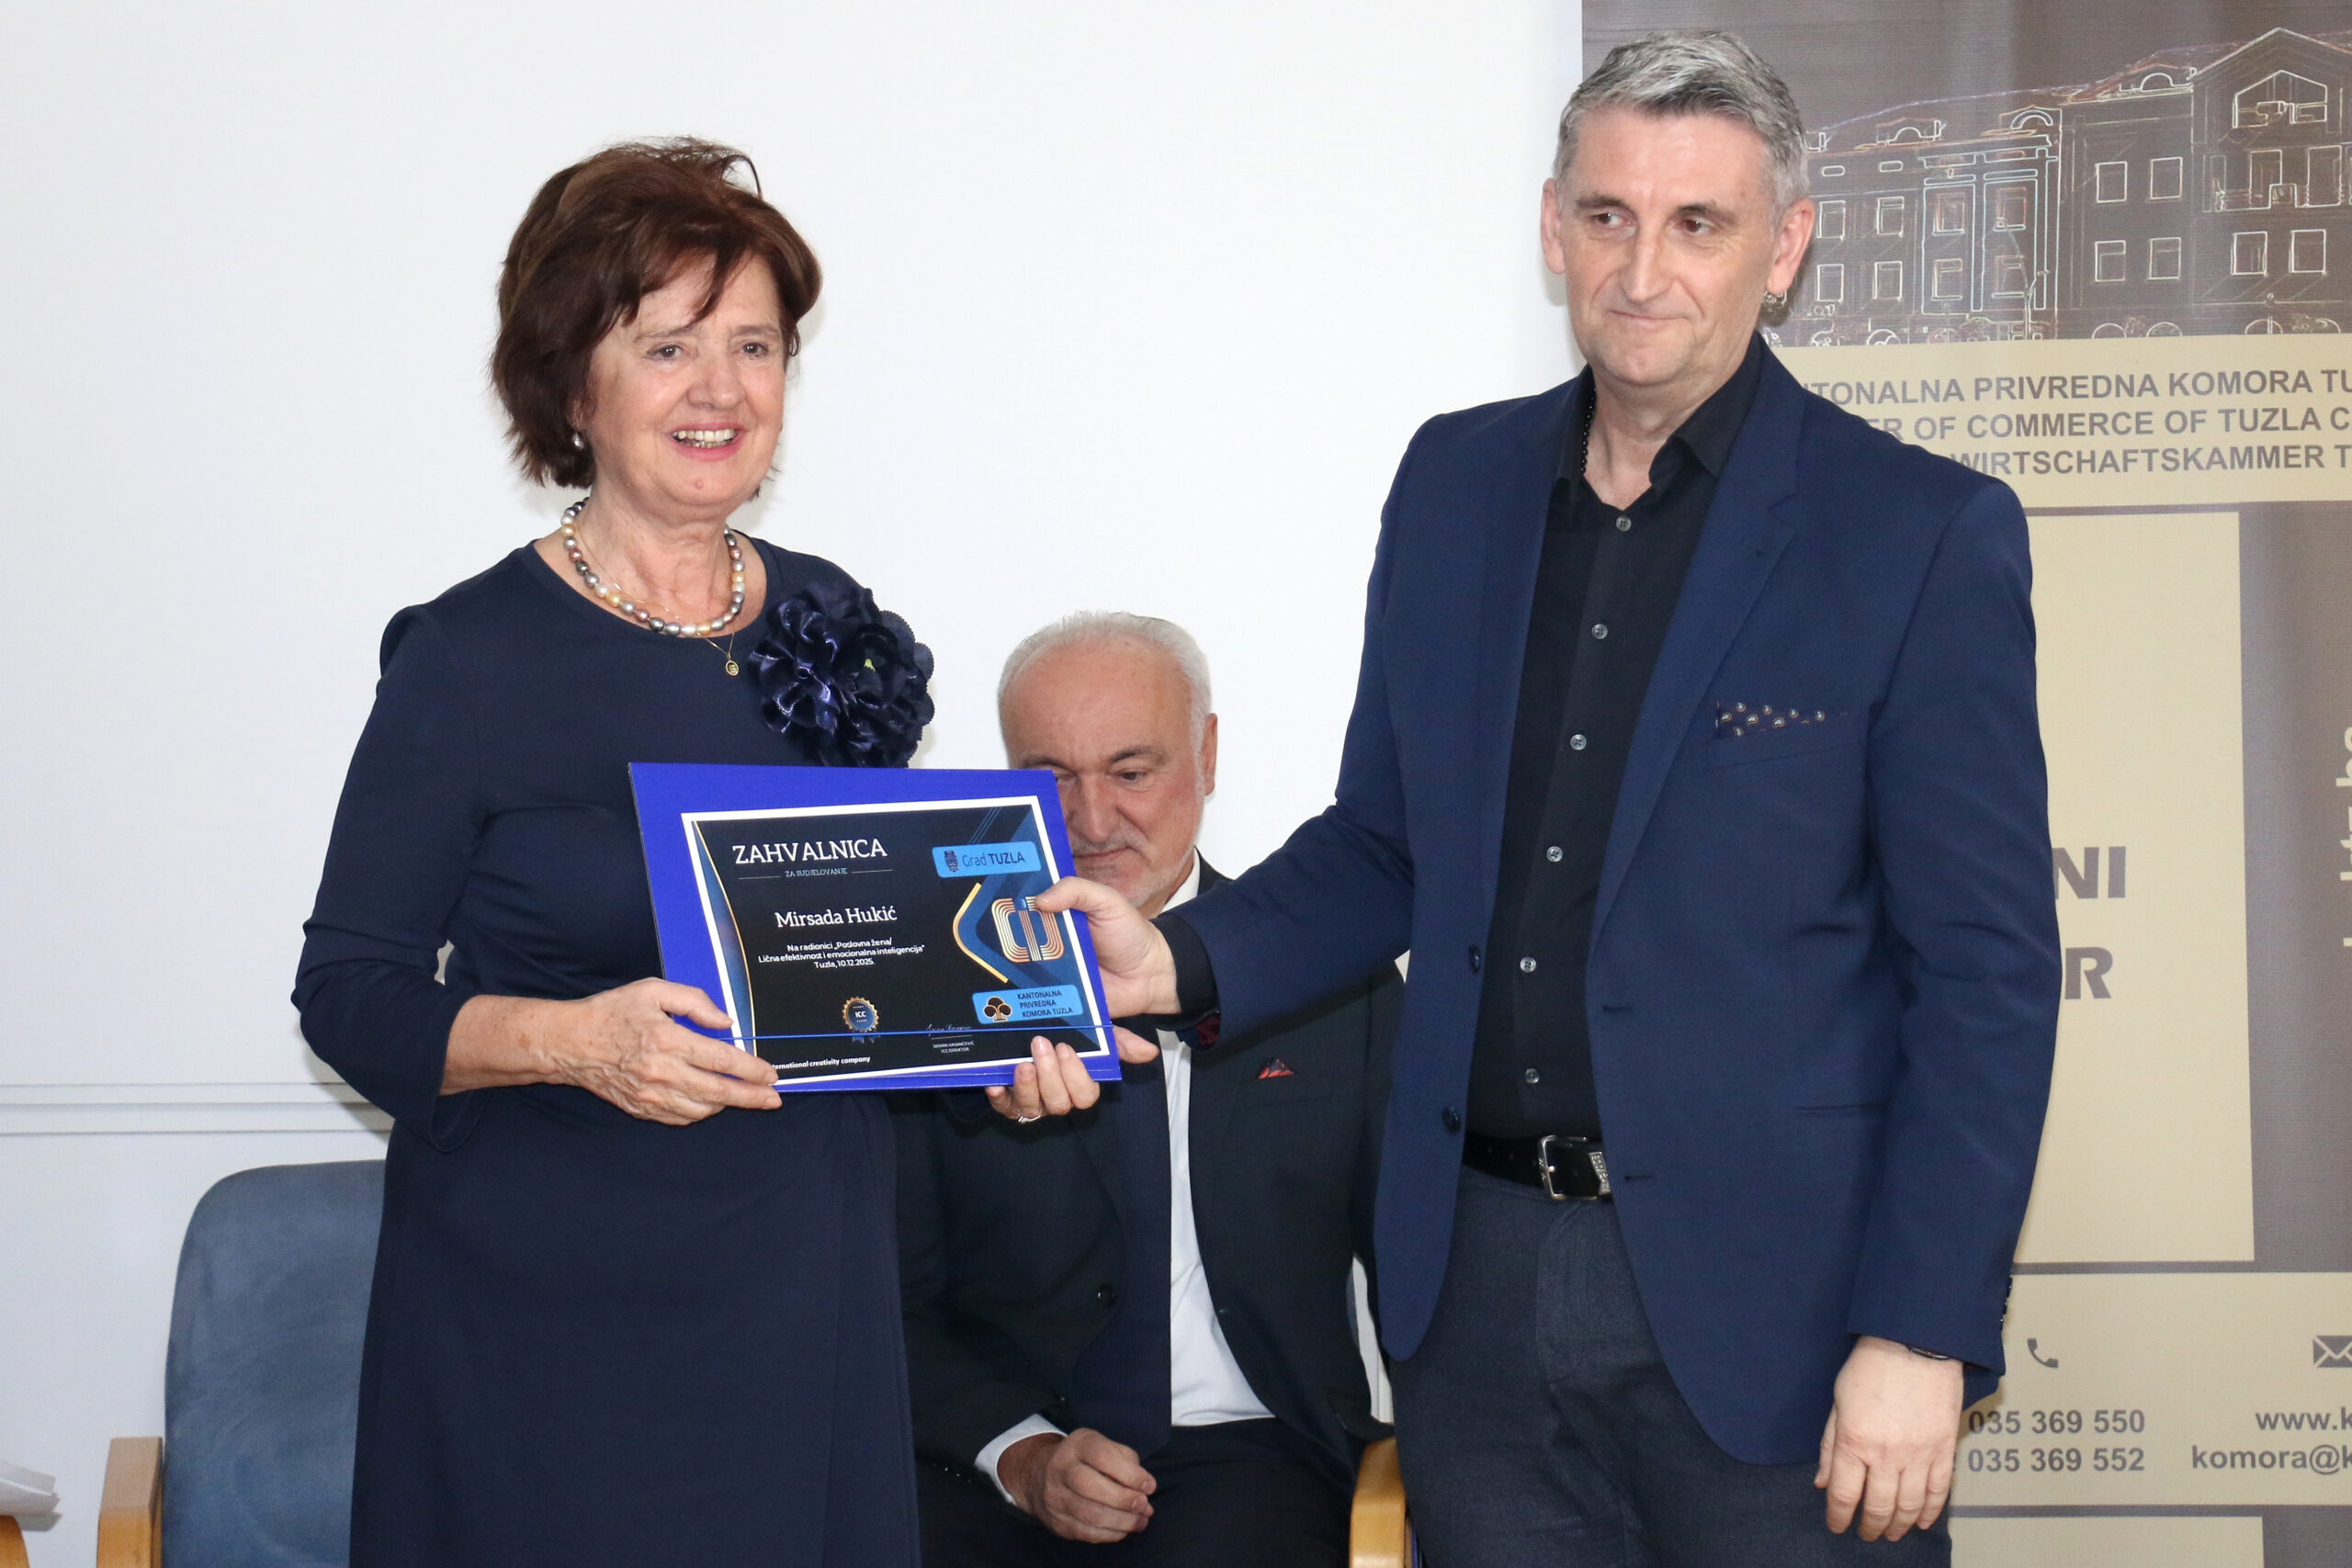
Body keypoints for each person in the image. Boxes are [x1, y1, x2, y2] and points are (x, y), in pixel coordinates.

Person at [1014, 31, 2062, 1568]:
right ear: (1552, 226)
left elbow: (1985, 973)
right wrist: (1168, 961)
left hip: (1782, 1310)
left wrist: (1921, 1327)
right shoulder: (1456, 483)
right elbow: (1385, 843)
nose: (1643, 269)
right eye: (1607, 214)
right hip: (1478, 1301)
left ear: (1784, 248)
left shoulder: (1916, 532)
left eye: (1697, 223)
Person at [292, 139, 1104, 1568]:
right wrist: (572, 1039)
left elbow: (872, 952)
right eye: (669, 346)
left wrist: (1002, 1039)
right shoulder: (467, 658)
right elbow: (347, 994)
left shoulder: (834, 621)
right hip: (544, 1321)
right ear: (573, 386)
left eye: (755, 344)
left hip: (803, 1299)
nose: (721, 388)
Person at [896, 613, 1401, 1566]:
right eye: (1051, 777)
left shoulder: (1336, 976)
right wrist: (1018, 1452)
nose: (1092, 823)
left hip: (1257, 1454)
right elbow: (889, 1297)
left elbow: (1417, 1275)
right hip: (993, 1456)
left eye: (1131, 772)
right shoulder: (931, 996)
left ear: (1206, 755)